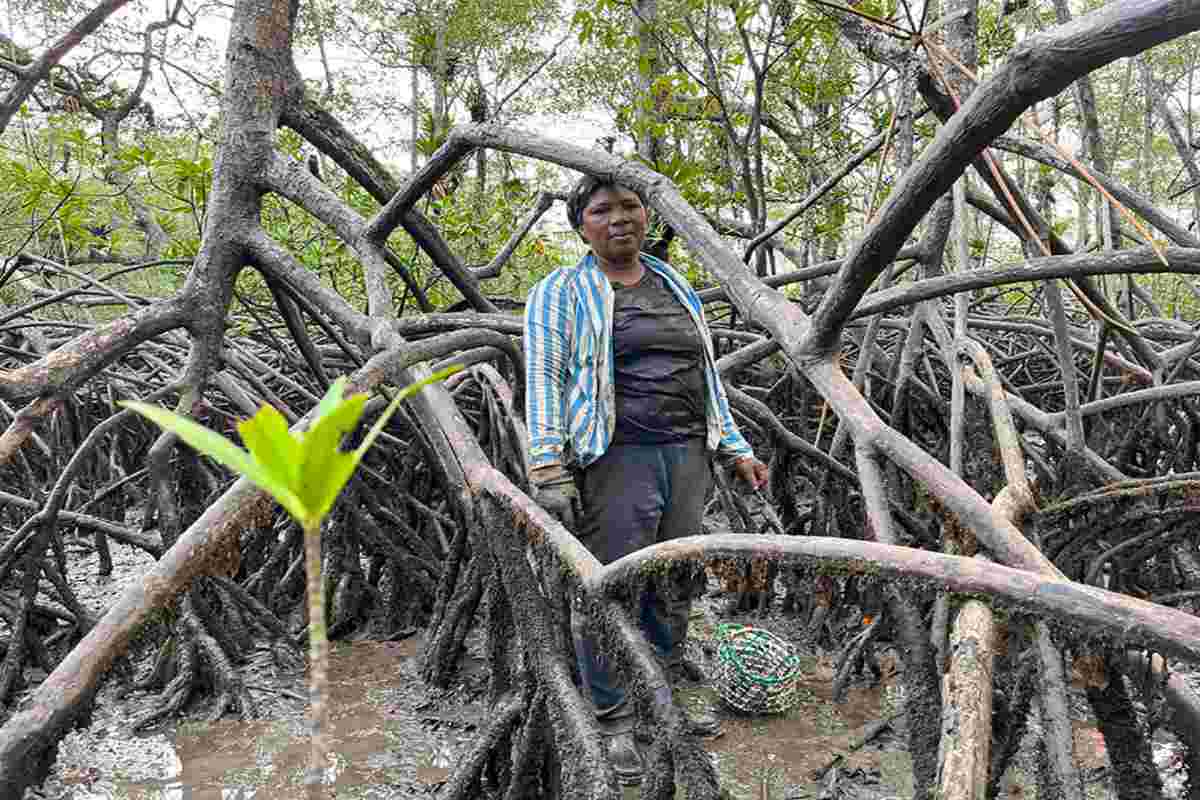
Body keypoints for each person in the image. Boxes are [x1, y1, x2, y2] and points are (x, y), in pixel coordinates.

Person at [523, 174, 769, 785]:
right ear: (582, 226)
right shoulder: (561, 291)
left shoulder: (671, 283)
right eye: (602, 210)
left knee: (675, 576)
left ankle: (660, 688)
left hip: (686, 453)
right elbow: (545, 379)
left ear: (644, 215)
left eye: (629, 206)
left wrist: (735, 446)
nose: (619, 218)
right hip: (615, 455)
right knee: (608, 586)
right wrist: (548, 465)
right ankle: (612, 716)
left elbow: (706, 373)